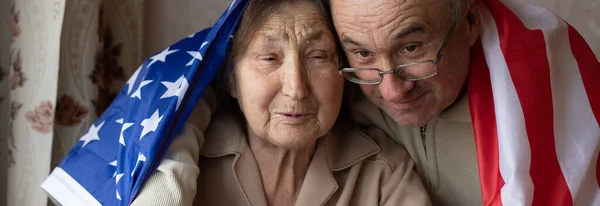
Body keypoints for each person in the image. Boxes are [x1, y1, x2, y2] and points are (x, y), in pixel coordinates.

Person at [131, 0, 431, 205]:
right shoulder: (178, 160)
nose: (296, 88)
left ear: (343, 71)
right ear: (232, 79)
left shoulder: (383, 174)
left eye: (317, 57)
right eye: (270, 58)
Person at [329, 0, 600, 205]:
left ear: (469, 21)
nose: (392, 92)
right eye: (363, 53)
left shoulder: (555, 111)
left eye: (411, 48)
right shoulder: (336, 99)